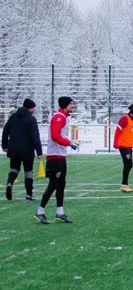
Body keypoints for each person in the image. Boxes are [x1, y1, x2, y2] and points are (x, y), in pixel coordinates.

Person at [35, 96, 79, 224]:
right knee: (53, 185)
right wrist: (69, 143)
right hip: (55, 157)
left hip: (60, 156)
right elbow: (55, 136)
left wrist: (69, 143)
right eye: (71, 104)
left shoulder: (63, 117)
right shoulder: (59, 117)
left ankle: (59, 213)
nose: (73, 106)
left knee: (61, 184)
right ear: (65, 104)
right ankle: (40, 212)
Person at [2, 99, 43, 201]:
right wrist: (39, 151)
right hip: (27, 150)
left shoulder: (13, 117)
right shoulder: (31, 119)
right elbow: (35, 136)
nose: (35, 109)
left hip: (14, 149)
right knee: (28, 171)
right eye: (34, 107)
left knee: (14, 169)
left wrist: (5, 146)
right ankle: (29, 194)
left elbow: (5, 132)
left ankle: (10, 183)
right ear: (30, 108)